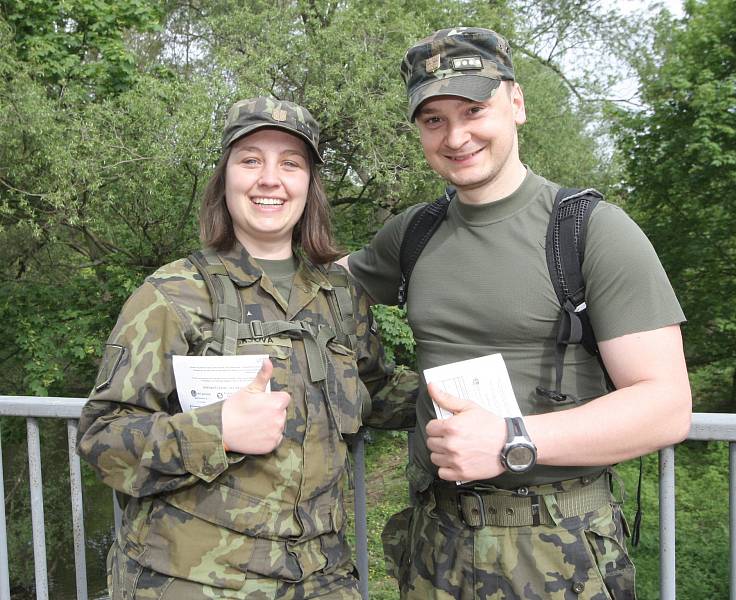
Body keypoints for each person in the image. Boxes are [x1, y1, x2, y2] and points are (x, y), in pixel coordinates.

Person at [342, 27, 692, 599]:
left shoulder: (590, 231)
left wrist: (512, 439)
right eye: (434, 119)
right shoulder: (413, 233)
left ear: (517, 104)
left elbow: (667, 406)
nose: (456, 136)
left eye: (474, 109)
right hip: (437, 538)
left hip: (559, 546)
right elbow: (324, 284)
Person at [77, 97, 416, 599]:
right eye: (251, 159)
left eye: (291, 163)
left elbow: (376, 391)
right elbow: (103, 439)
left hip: (322, 575)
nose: (269, 178)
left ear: (309, 186)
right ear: (226, 178)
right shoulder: (173, 294)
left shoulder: (341, 297)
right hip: (195, 577)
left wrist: (461, 389)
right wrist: (216, 431)